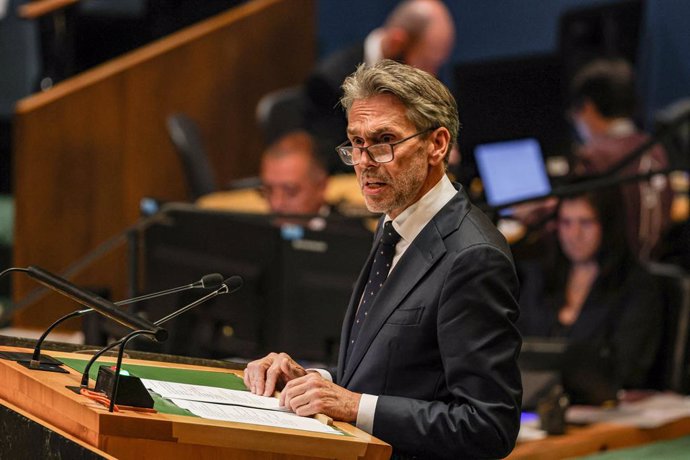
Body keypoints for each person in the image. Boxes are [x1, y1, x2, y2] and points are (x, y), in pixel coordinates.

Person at [244, 60, 522, 459]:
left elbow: (488, 426)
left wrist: (351, 406)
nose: (364, 161)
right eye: (356, 143)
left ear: (437, 144)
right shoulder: (395, 225)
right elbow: (389, 375)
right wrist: (311, 381)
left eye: (384, 140)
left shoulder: (473, 257)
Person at [517, 188, 663, 389]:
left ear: (608, 225)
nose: (574, 234)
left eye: (585, 223)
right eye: (566, 223)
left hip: (605, 409)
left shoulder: (636, 288)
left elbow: (625, 370)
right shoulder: (540, 277)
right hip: (534, 403)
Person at [304, 0, 456, 173]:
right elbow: (332, 162)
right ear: (397, 42)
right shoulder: (328, 82)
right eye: (426, 64)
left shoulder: (424, 73)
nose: (432, 75)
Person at [568, 57, 673, 261]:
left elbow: (576, 222)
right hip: (654, 271)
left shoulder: (593, 158)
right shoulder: (655, 147)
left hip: (613, 278)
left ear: (587, 107)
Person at [259, 130, 328, 216]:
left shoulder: (345, 226)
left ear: (320, 187)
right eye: (268, 191)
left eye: (290, 191)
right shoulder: (253, 227)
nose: (276, 204)